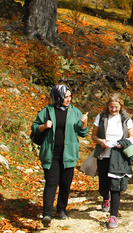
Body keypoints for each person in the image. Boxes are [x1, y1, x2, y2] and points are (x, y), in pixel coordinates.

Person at [31, 85, 89, 227]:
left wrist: (84, 123)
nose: (68, 99)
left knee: (65, 184)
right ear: (58, 97)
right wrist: (44, 126)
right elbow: (34, 127)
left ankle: (62, 209)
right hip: (51, 153)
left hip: (68, 154)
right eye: (65, 96)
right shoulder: (47, 111)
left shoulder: (75, 112)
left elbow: (83, 133)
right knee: (51, 183)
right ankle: (47, 214)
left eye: (70, 96)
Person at [92, 93, 133, 229]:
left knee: (115, 187)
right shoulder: (100, 117)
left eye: (116, 107)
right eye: (111, 107)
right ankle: (106, 198)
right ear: (107, 106)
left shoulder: (126, 119)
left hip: (119, 156)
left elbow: (132, 136)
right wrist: (100, 141)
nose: (113, 110)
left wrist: (123, 143)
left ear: (121, 107)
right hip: (103, 155)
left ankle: (113, 216)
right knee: (103, 185)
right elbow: (93, 136)